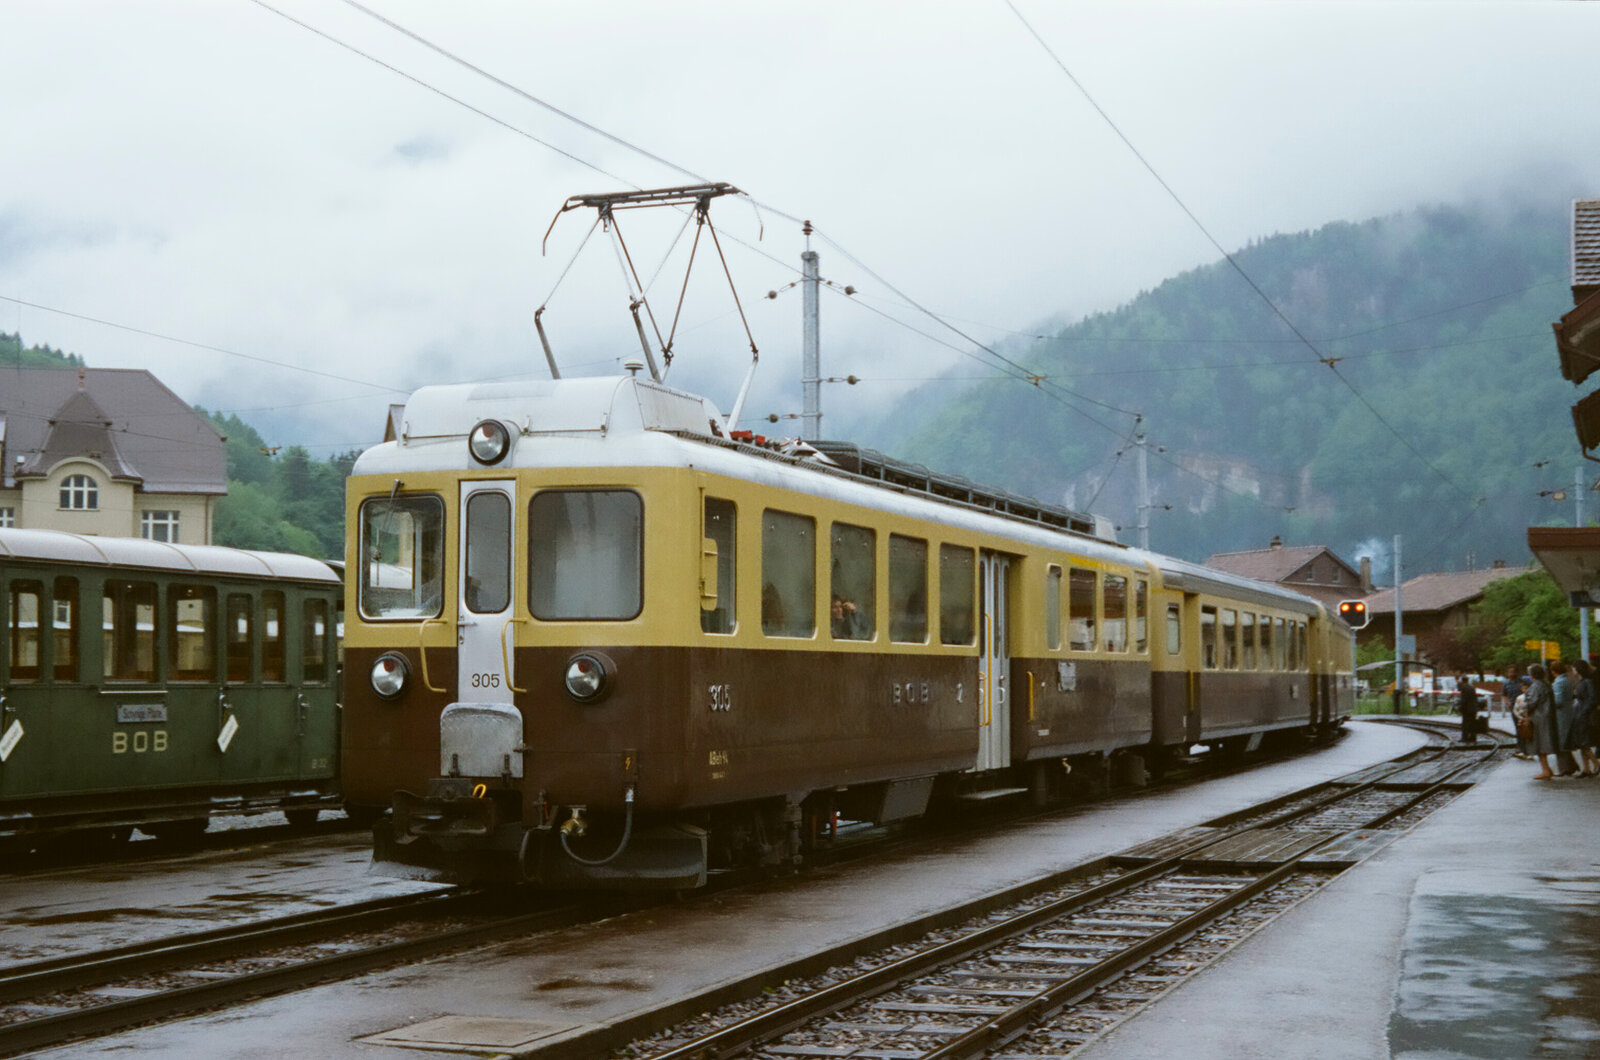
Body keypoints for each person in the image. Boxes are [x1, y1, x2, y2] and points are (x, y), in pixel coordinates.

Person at [1525, 664, 1560, 780]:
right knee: (1543, 742)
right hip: (1547, 716)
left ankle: (1545, 769)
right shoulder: (1546, 685)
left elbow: (1531, 703)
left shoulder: (1535, 686)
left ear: (1532, 674)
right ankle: (1547, 769)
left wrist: (1522, 705)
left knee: (1539, 744)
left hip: (1538, 718)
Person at [1571, 660, 1599, 777]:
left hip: (1583, 714)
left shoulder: (1587, 682)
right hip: (1579, 713)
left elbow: (1592, 698)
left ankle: (1595, 764)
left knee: (1583, 742)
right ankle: (1586, 768)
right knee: (1581, 742)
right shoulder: (1582, 681)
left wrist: (1585, 711)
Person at [1552, 662, 1581, 777]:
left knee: (1560, 742)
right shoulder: (1568, 680)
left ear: (1553, 671)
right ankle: (1571, 765)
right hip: (1568, 712)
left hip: (1560, 715)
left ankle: (1565, 768)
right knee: (1565, 741)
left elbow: (1558, 700)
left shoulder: (1558, 682)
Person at [1456, 673, 1480, 746]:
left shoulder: (1464, 688)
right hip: (1473, 708)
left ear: (1463, 681)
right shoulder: (1471, 687)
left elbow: (1464, 700)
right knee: (1472, 723)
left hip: (1467, 709)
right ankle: (1473, 737)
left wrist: (1460, 708)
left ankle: (1465, 737)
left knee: (1465, 723)